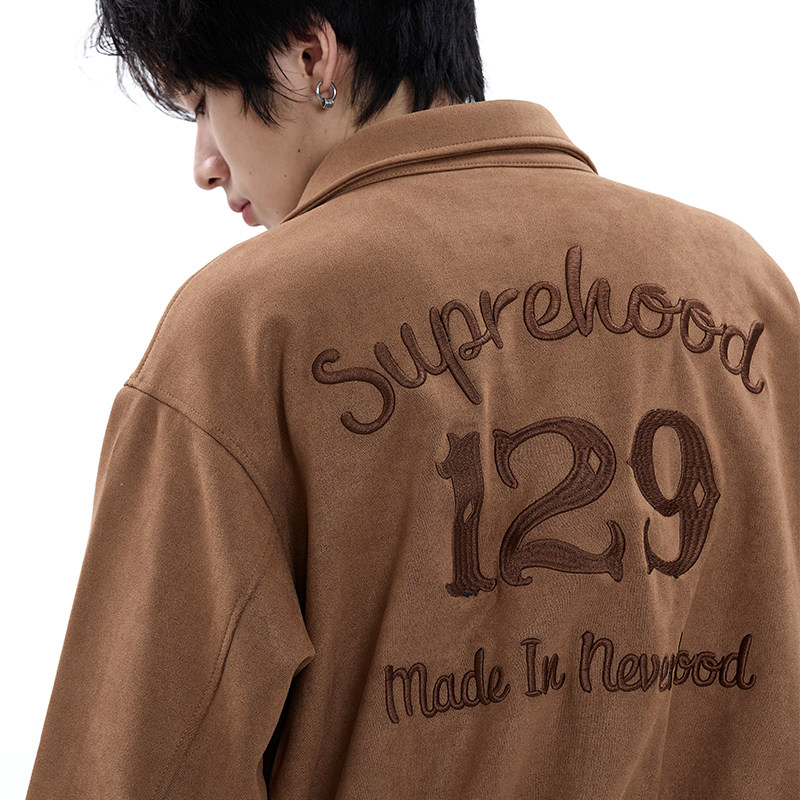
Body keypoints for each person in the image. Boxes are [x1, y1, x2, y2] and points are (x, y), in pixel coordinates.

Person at [26, 1, 799, 798]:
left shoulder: (246, 331)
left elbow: (139, 768)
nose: (205, 165)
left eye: (202, 106)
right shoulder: (745, 287)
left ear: (309, 56)